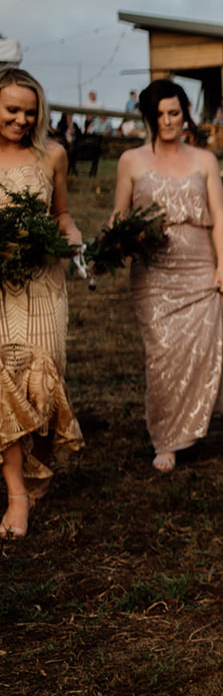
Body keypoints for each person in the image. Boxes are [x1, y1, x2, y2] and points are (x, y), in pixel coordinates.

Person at [115, 79, 223, 473]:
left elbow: (219, 219)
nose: (167, 121)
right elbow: (119, 216)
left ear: (185, 114)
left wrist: (222, 266)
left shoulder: (205, 161)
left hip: (198, 265)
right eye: (159, 114)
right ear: (148, 117)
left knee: (197, 352)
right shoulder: (131, 161)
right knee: (161, 353)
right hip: (154, 272)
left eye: (174, 113)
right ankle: (165, 439)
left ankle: (190, 429)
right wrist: (114, 242)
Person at [0, 68, 84, 538]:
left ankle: (39, 465)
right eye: (12, 109)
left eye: (30, 112)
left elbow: (63, 215)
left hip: (43, 281)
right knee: (0, 381)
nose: (21, 119)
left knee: (45, 375)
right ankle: (15, 492)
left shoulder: (52, 154)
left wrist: (71, 236)